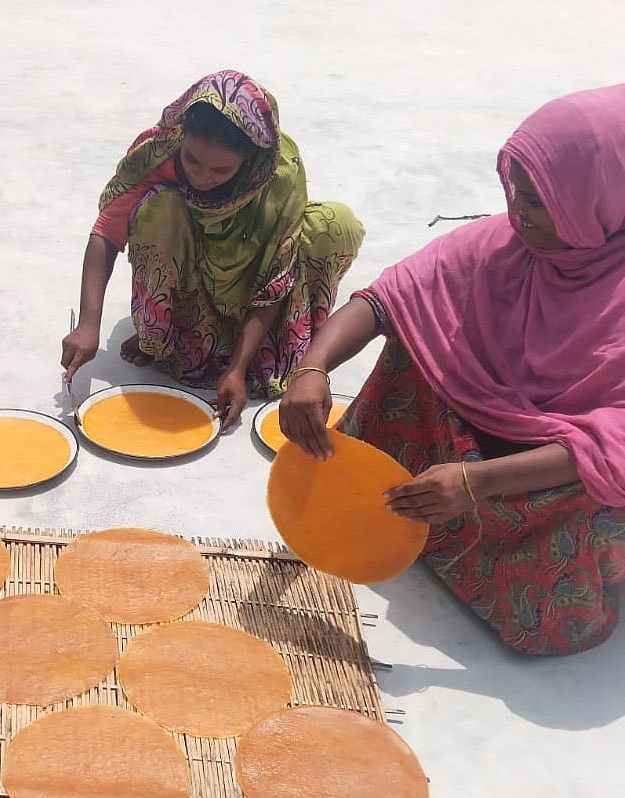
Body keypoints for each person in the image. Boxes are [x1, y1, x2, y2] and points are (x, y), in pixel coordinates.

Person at [279, 85, 625, 655]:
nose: (517, 211)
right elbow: (389, 298)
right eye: (514, 191)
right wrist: (311, 369)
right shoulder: (507, 244)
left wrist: (475, 482)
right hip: (477, 433)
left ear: (599, 200)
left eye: (537, 201)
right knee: (415, 346)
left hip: (551, 471)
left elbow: (608, 451)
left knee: (597, 500)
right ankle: (419, 511)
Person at [60, 70, 364, 426]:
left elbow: (275, 280)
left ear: (250, 158)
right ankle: (163, 339)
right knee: (159, 208)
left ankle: (254, 350)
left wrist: (237, 369)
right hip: (193, 282)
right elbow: (106, 232)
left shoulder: (278, 173)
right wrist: (88, 324)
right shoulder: (157, 153)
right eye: (191, 160)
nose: (202, 177)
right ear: (182, 136)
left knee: (335, 223)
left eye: (221, 170)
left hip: (253, 292)